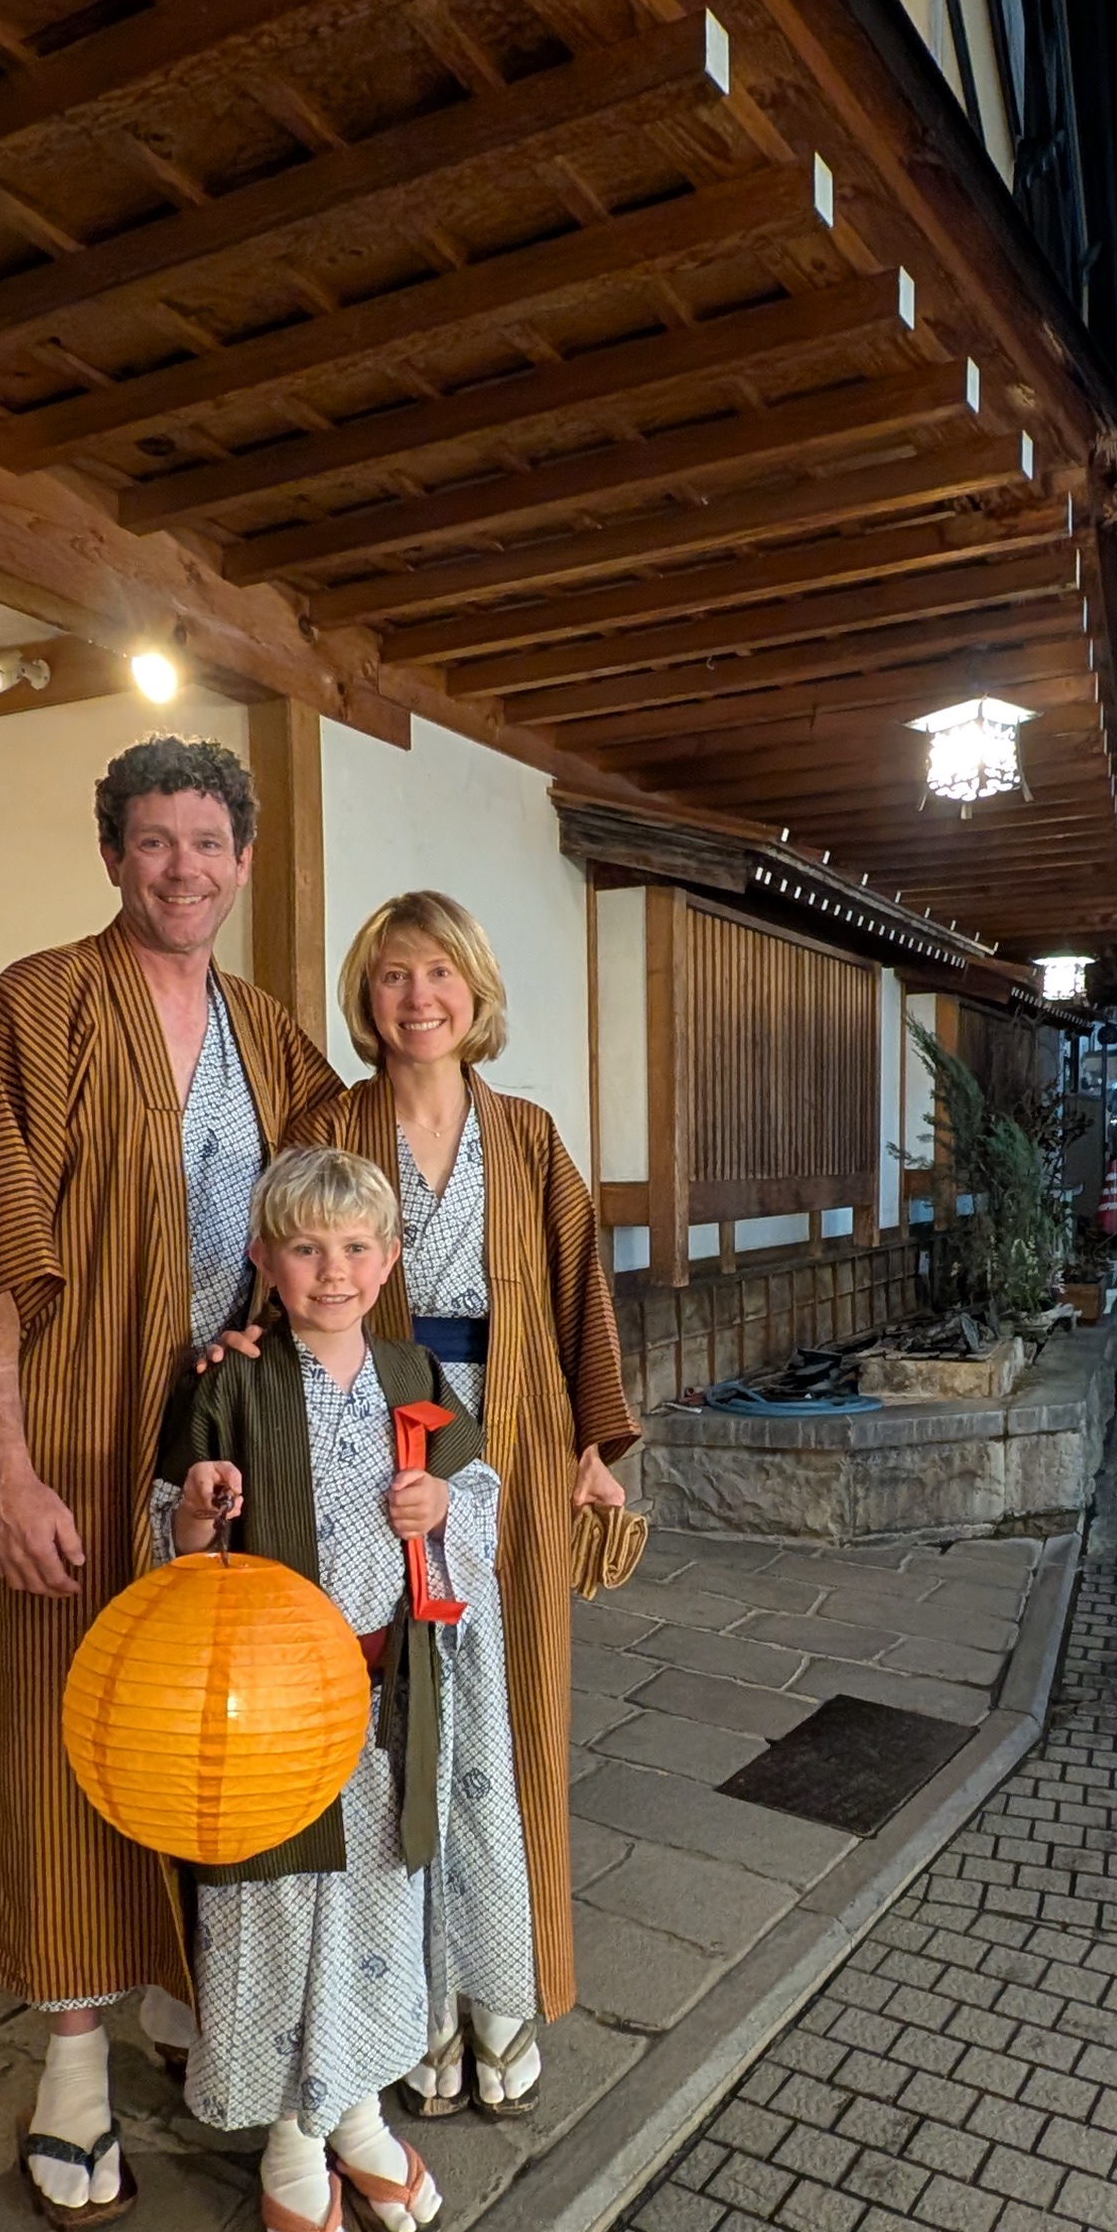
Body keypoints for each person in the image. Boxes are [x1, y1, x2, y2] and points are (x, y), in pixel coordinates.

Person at [0, 737, 338, 2230]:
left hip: (218, 1437)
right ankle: (74, 2051)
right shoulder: (34, 1008)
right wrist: (4, 1466)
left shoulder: (276, 1040)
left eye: (208, 843)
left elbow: (340, 1220)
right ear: (112, 857)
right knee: (62, 1720)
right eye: (153, 842)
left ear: (243, 859)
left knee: (219, 1719)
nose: (183, 869)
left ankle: (188, 1988)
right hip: (76, 1433)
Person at [156, 1147, 508, 2232]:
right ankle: (287, 2144)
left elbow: (485, 1501)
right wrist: (203, 1514)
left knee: (371, 1910)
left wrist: (444, 1499)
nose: (333, 1270)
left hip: (388, 1702)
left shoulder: (413, 1372)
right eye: (305, 1248)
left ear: (391, 1257)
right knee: (276, 1908)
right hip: (268, 1711)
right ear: (264, 1260)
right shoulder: (231, 1382)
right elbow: (175, 1530)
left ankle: (351, 2112)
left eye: (358, 1247)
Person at [317, 893, 637, 2116]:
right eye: (393, 976)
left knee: (510, 1721)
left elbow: (577, 1302)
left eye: (440, 973)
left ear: (475, 991)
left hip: (512, 1434)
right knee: (393, 1730)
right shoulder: (332, 1125)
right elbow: (283, 1260)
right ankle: (415, 1999)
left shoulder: (532, 1138)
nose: (417, 999)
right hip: (374, 1452)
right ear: (370, 995)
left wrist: (594, 1447)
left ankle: (500, 1987)